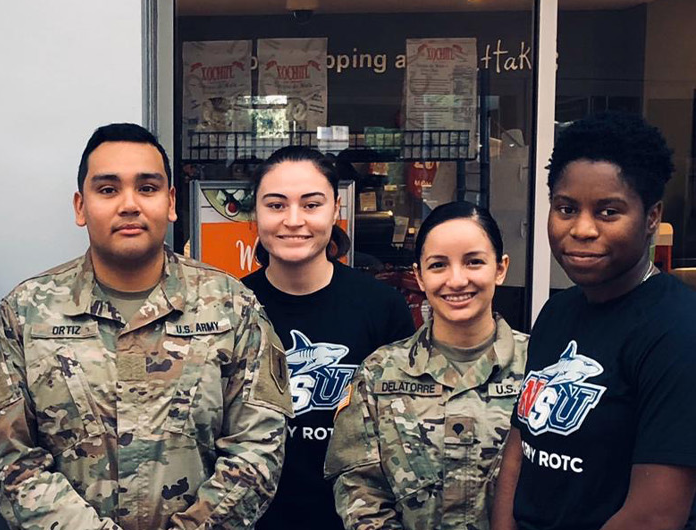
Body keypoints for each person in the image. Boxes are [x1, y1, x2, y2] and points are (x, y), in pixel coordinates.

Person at [0, 123, 289, 529]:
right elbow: (12, 459)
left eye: (147, 188)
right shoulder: (25, 314)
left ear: (171, 202)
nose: (129, 204)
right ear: (80, 206)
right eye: (108, 189)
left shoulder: (232, 307)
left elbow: (259, 447)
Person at [491, 112, 696, 530]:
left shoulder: (677, 332)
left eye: (608, 212)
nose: (581, 229)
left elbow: (655, 516)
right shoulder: (558, 312)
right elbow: (521, 444)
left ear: (652, 216)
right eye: (566, 208)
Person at [239, 146, 416, 530]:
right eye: (275, 205)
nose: (293, 220)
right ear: (256, 214)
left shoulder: (382, 307)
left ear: (335, 209)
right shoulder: (230, 307)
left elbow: (401, 437)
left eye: (311, 204)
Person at [325, 201, 528, 529]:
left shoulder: (540, 369)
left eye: (474, 262)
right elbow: (359, 490)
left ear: (501, 268)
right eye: (438, 265)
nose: (457, 280)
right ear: (419, 276)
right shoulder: (379, 373)